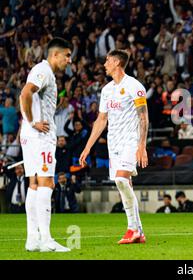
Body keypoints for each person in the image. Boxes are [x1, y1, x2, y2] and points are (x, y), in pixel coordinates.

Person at [79, 49, 149, 245]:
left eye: (108, 61)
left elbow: (144, 117)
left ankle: (132, 229)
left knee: (120, 180)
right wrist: (87, 147)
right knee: (125, 185)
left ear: (117, 62)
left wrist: (141, 145)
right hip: (114, 143)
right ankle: (138, 232)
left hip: (130, 140)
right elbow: (101, 120)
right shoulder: (106, 90)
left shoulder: (134, 86)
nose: (104, 64)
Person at [19, 37, 72, 252]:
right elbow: (25, 93)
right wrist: (33, 122)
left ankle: (33, 239)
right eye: (67, 55)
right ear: (55, 54)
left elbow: (35, 98)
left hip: (30, 137)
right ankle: (47, 240)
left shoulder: (45, 73)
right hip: (40, 137)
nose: (69, 60)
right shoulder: (43, 70)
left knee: (33, 185)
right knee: (47, 183)